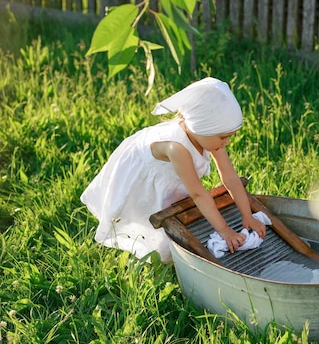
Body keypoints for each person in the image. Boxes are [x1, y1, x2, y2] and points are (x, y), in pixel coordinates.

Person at [81, 77, 266, 263]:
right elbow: (199, 194)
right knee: (149, 221)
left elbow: (230, 178)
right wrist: (225, 231)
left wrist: (247, 216)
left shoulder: (211, 138)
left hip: (173, 174)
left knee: (176, 213)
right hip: (145, 176)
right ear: (202, 128)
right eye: (223, 137)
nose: (227, 142)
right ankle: (154, 259)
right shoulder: (176, 149)